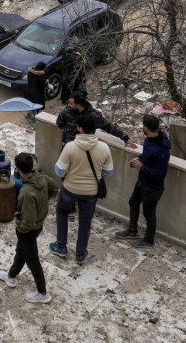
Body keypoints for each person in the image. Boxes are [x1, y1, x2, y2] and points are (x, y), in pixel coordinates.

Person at [50, 113, 115, 265]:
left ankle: (61, 246)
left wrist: (68, 174)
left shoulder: (70, 147)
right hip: (91, 192)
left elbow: (59, 171)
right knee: (85, 222)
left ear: (80, 128)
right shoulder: (104, 148)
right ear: (95, 129)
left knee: (62, 212)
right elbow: (109, 172)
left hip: (70, 189)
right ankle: (80, 254)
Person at [0, 152, 59, 304]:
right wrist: (42, 203)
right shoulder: (41, 178)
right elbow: (54, 189)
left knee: (32, 260)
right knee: (21, 252)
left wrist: (20, 228)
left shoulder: (26, 192)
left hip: (28, 230)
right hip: (38, 225)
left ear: (18, 169)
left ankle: (42, 293)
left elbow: (28, 222)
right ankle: (11, 276)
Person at [116, 115, 172, 248]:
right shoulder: (149, 140)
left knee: (149, 213)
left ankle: (149, 240)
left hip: (153, 187)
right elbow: (147, 157)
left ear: (145, 127)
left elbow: (160, 174)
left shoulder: (161, 150)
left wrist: (141, 167)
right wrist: (139, 159)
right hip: (142, 181)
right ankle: (132, 230)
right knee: (133, 202)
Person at [56, 91, 137, 151]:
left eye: (70, 103)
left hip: (84, 149)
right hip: (68, 146)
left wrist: (125, 138)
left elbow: (108, 127)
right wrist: (69, 131)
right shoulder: (67, 110)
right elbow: (59, 123)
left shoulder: (94, 115)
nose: (68, 105)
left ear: (79, 106)